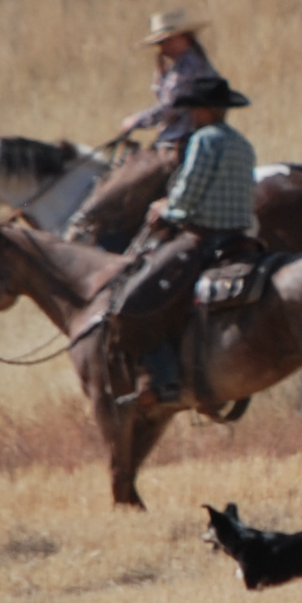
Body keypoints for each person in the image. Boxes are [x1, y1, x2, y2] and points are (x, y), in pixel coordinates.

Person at [87, 71, 260, 409]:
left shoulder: (203, 141)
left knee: (134, 300)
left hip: (203, 240)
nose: (190, 116)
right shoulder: (242, 144)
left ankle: (164, 381)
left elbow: (187, 195)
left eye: (193, 109)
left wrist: (165, 207)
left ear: (205, 110)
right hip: (241, 238)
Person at [68, 8, 232, 247]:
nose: (161, 48)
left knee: (118, 187)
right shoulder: (188, 63)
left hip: (177, 144)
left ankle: (85, 224)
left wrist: (136, 121)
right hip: (175, 139)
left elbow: (169, 108)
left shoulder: (188, 66)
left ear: (180, 38)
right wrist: (160, 78)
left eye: (165, 41)